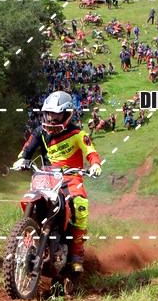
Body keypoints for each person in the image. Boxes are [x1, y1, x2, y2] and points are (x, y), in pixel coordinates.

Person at [12, 91, 103, 273]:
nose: (52, 119)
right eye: (49, 114)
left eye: (57, 115)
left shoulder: (78, 134)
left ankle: (76, 255)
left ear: (67, 115)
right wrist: (21, 160)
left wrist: (95, 165)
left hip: (71, 178)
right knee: (30, 199)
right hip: (46, 176)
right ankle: (26, 241)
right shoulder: (39, 132)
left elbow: (91, 152)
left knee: (80, 204)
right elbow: (27, 150)